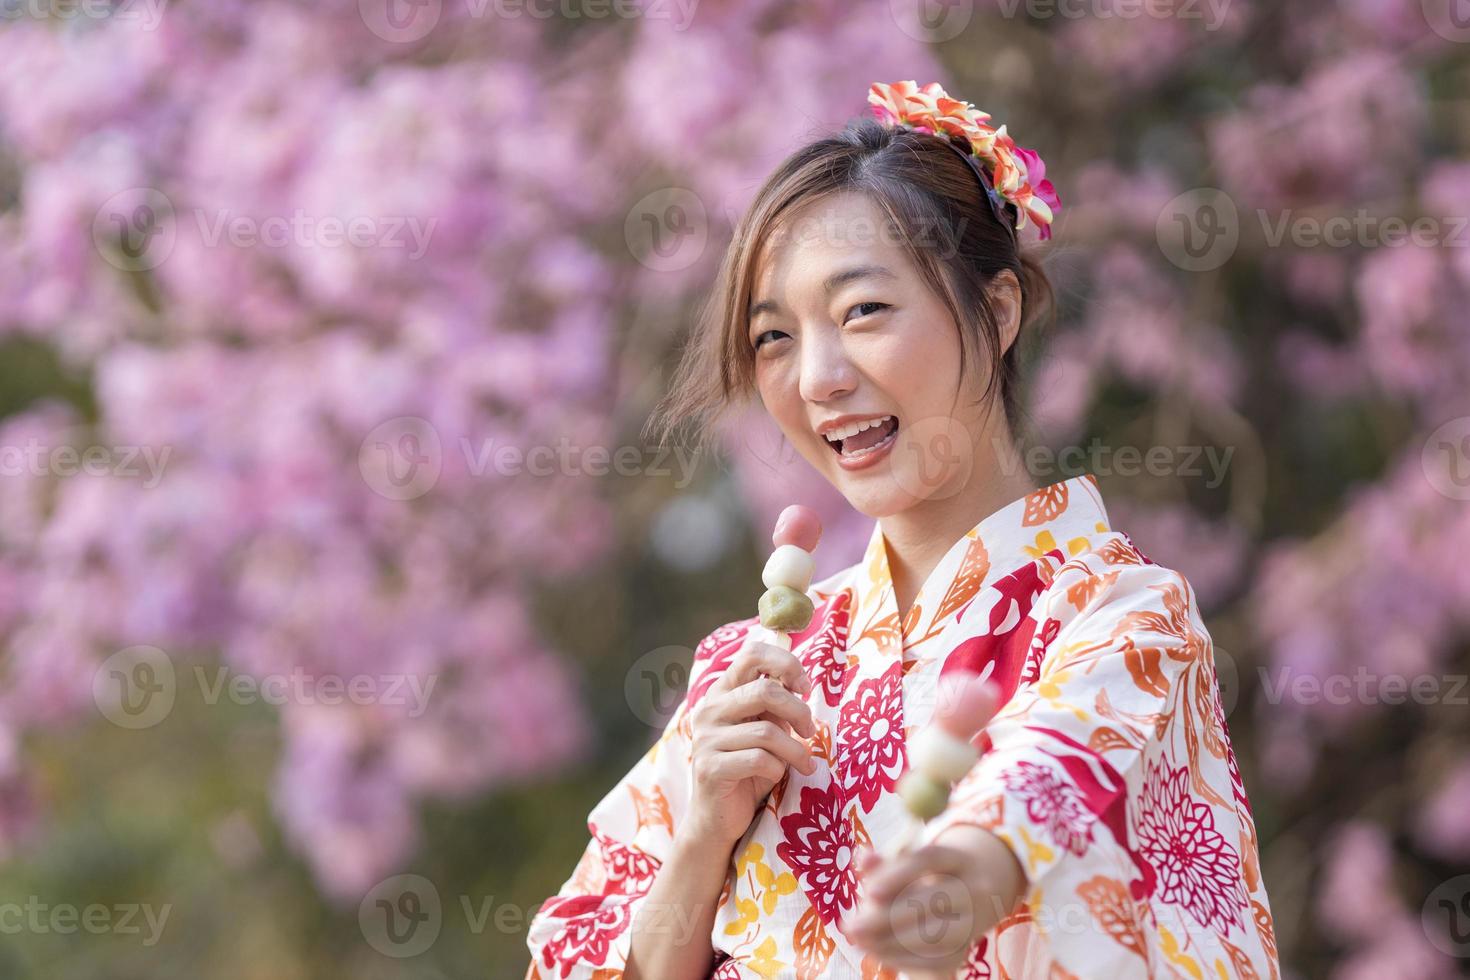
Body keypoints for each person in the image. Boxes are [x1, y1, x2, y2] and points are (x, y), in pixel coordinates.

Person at [524, 80, 1278, 979]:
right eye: (775, 339)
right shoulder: (751, 670)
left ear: (997, 311)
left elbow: (1051, 778)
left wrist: (963, 878)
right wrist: (701, 836)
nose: (818, 378)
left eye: (863, 312)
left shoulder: (1122, 616)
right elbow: (575, 953)